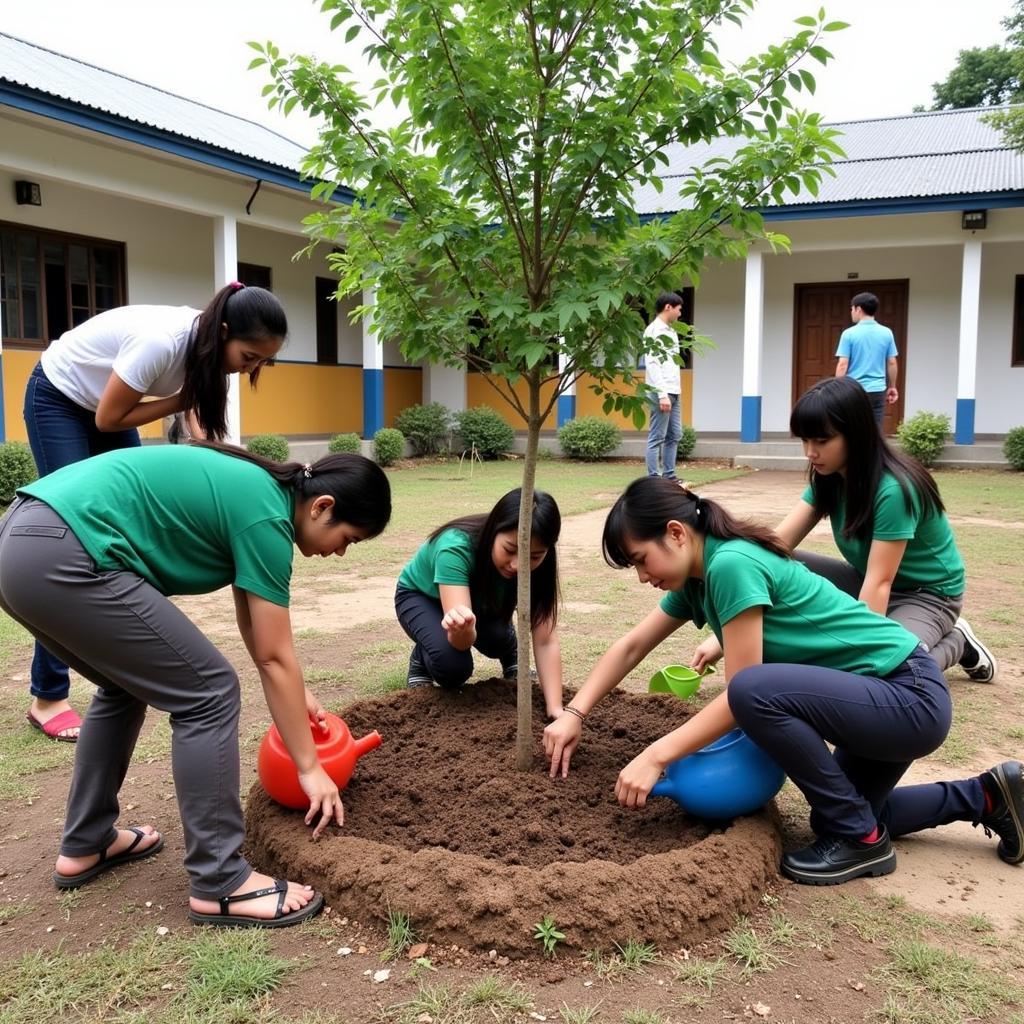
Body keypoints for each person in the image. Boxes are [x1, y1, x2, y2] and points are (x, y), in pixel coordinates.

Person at [542, 477, 1023, 885]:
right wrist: (574, 714)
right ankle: (986, 795)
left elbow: (744, 694)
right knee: (843, 811)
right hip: (886, 698)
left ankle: (862, 843)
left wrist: (655, 755)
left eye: (641, 559)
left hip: (908, 697)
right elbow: (632, 645)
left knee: (753, 690)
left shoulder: (731, 564)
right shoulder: (699, 580)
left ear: (676, 533)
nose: (642, 575)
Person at [0, 442, 391, 926]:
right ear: (322, 507)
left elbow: (257, 629)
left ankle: (87, 842)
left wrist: (299, 692)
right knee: (210, 693)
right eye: (349, 538)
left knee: (124, 686)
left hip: (22, 543)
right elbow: (272, 657)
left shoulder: (259, 495)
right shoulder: (266, 517)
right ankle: (221, 881)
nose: (340, 552)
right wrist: (309, 769)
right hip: (63, 550)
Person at [21, 282, 286, 742]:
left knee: (127, 531)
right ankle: (48, 696)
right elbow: (109, 419)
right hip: (61, 399)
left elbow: (199, 429)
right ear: (224, 332)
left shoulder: (210, 351)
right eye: (249, 358)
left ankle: (118, 660)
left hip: (108, 407)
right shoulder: (162, 341)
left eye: (263, 362)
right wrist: (180, 401)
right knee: (73, 535)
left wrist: (219, 465)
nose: (251, 370)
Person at [778, 375, 996, 683]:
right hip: (867, 578)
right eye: (804, 440)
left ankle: (957, 641)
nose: (810, 452)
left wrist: (858, 654)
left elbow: (880, 583)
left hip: (928, 596)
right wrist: (725, 639)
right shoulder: (827, 477)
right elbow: (776, 545)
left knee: (893, 671)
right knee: (777, 562)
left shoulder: (893, 489)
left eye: (822, 441)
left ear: (855, 434)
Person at [395, 488, 564, 719]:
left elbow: (545, 640)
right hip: (422, 597)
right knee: (453, 668)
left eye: (533, 557)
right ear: (494, 531)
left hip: (479, 601)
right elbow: (462, 640)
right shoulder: (454, 547)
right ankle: (422, 656)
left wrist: (555, 709)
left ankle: (510, 655)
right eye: (510, 550)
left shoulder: (543, 559)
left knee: (497, 640)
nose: (518, 565)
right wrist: (463, 631)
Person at [835, 291, 898, 428]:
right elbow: (892, 362)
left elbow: (842, 364)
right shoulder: (887, 332)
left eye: (851, 308)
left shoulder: (848, 334)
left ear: (858, 309)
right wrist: (892, 386)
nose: (851, 312)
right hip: (877, 389)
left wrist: (837, 389)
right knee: (875, 430)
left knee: (854, 428)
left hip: (854, 390)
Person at [643, 292, 684, 481]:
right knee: (657, 436)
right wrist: (662, 394)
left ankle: (669, 477)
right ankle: (654, 479)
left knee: (675, 434)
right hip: (662, 392)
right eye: (679, 309)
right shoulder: (653, 331)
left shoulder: (671, 331)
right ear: (668, 307)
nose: (680, 313)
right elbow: (652, 364)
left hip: (674, 391)